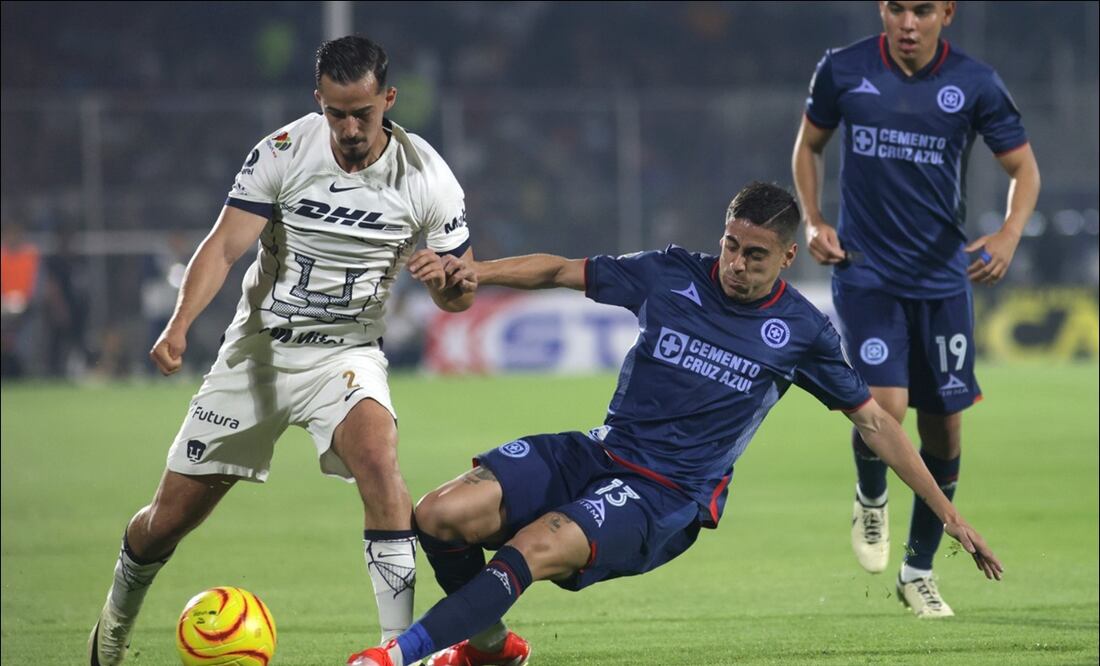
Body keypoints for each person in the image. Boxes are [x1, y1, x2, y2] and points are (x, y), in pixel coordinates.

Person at [347, 182, 1003, 666]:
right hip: (604, 451)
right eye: (730, 245)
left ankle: (397, 657)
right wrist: (478, 270)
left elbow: (877, 423)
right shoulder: (672, 274)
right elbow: (561, 270)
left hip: (666, 497)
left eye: (754, 256)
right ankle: (489, 650)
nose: (736, 265)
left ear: (786, 258)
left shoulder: (802, 331)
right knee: (439, 513)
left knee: (534, 547)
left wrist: (947, 512)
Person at [88, 35, 478, 665]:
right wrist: (179, 323)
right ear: (318, 101)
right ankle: (112, 626)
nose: (349, 128)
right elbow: (222, 247)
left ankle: (397, 650)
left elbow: (462, 291)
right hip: (258, 354)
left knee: (381, 466)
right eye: (336, 113)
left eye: (364, 113)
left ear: (389, 99)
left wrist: (447, 286)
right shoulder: (283, 151)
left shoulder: (428, 176)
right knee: (167, 521)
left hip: (346, 355)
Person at [791, 1, 1039, 618]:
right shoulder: (843, 70)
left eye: (922, 9)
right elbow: (808, 147)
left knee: (945, 428)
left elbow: (1023, 169)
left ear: (946, 13)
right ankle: (871, 494)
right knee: (888, 406)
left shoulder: (975, 83)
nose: (907, 21)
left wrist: (1008, 234)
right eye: (896, 7)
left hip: (943, 279)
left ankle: (918, 571)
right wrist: (814, 219)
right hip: (866, 272)